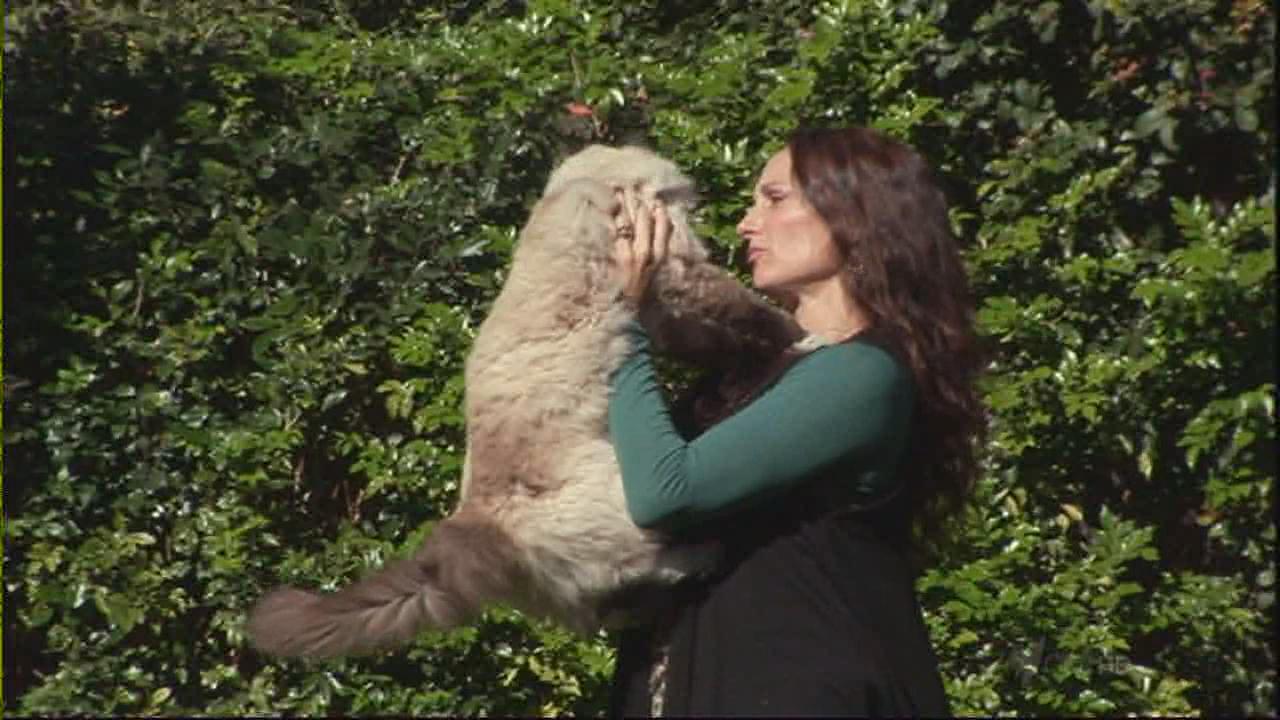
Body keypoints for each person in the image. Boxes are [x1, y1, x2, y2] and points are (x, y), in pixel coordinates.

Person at [603, 126, 986, 716]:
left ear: (855, 213)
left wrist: (619, 318)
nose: (746, 224)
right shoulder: (757, 374)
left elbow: (665, 491)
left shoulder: (862, 374)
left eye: (775, 199)